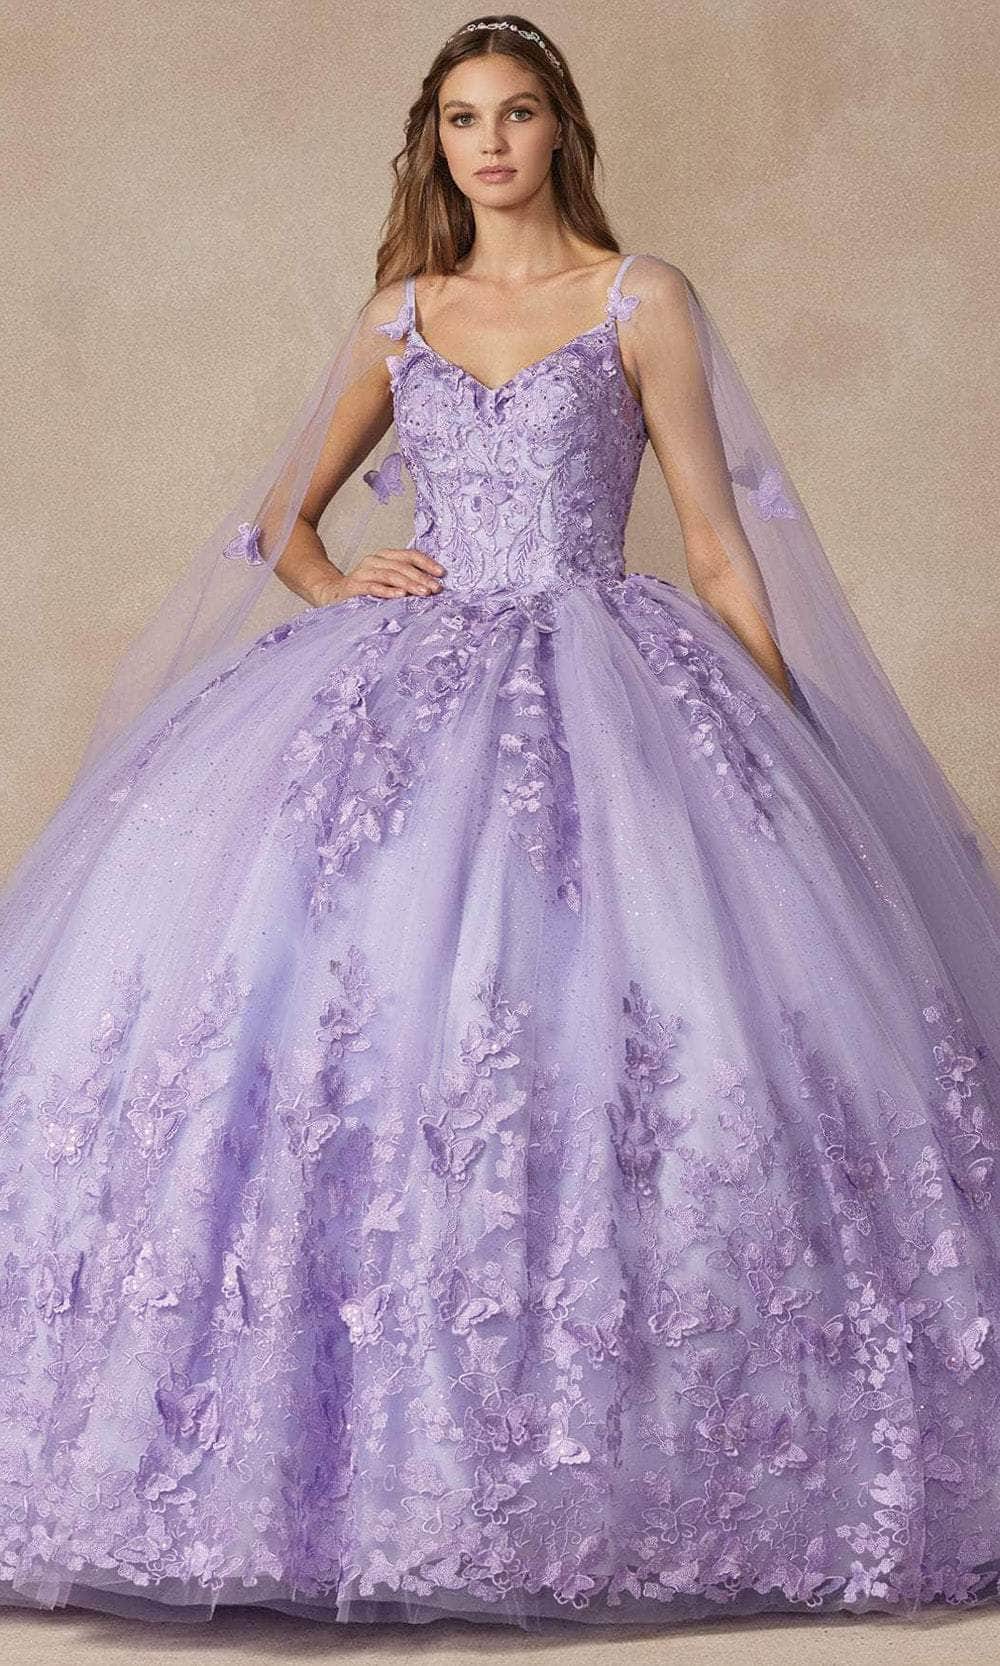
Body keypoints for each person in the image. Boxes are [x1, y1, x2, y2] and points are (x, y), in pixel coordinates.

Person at [3, 9, 1000, 1636]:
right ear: (436, 143)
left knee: (615, 1019)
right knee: (365, 1009)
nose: (491, 144)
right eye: (463, 118)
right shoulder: (401, 312)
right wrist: (345, 580)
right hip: (405, 688)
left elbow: (714, 541)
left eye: (517, 112)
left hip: (607, 678)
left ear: (561, 131)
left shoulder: (640, 297)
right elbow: (281, 520)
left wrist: (781, 743)